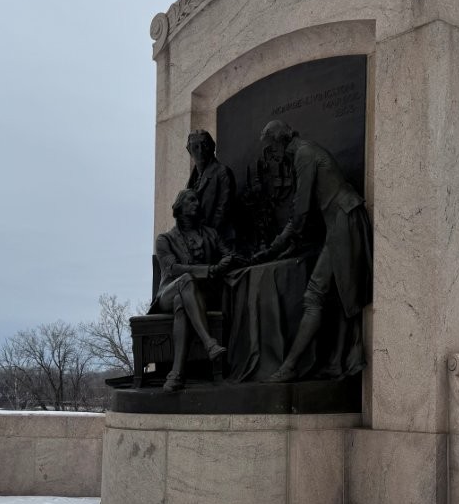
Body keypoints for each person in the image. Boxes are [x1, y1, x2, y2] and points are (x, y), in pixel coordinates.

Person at [254, 120, 372, 382]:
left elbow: (301, 210)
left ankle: (290, 366)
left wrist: (275, 247)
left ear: (280, 141)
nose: (272, 156)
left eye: (271, 149)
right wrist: (291, 245)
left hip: (343, 221)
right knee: (338, 298)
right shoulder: (306, 151)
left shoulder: (303, 155)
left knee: (315, 296)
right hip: (340, 222)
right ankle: (336, 363)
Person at [151, 188, 237, 392]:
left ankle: (176, 375)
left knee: (183, 301)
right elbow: (173, 269)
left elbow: (229, 254)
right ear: (179, 207)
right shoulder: (164, 239)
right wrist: (209, 269)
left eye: (197, 201)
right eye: (191, 200)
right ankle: (209, 343)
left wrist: (224, 263)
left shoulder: (211, 234)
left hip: (198, 295)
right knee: (185, 281)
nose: (196, 204)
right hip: (167, 293)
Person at [185, 129, 236, 239]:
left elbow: (222, 212)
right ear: (189, 150)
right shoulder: (191, 181)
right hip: (194, 238)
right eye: (195, 147)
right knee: (163, 241)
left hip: (214, 236)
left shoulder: (222, 173)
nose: (200, 151)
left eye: (205, 145)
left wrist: (203, 236)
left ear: (212, 147)